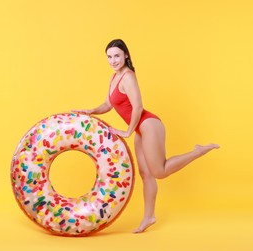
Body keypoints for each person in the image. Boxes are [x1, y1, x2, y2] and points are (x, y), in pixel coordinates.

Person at [73, 39, 219, 233]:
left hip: (148, 124)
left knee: (159, 171)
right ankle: (149, 216)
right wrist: (90, 111)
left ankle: (198, 151)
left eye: (117, 55)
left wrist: (127, 131)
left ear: (125, 55)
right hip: (140, 129)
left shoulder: (128, 76)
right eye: (109, 57)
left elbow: (138, 107)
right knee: (146, 175)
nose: (113, 60)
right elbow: (108, 105)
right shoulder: (114, 77)